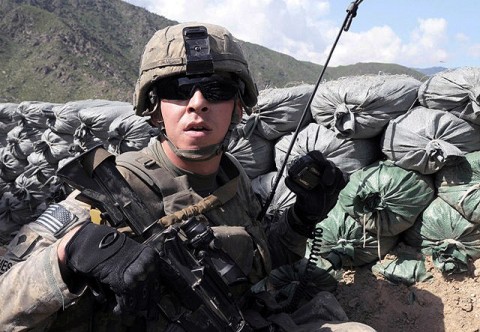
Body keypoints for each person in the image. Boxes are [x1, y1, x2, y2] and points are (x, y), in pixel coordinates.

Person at [0, 22, 375, 331]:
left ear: (239, 107)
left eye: (217, 90)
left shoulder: (231, 178)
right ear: (154, 107)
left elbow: (249, 263)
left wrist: (303, 217)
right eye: (178, 90)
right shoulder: (110, 195)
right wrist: (68, 255)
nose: (198, 103)